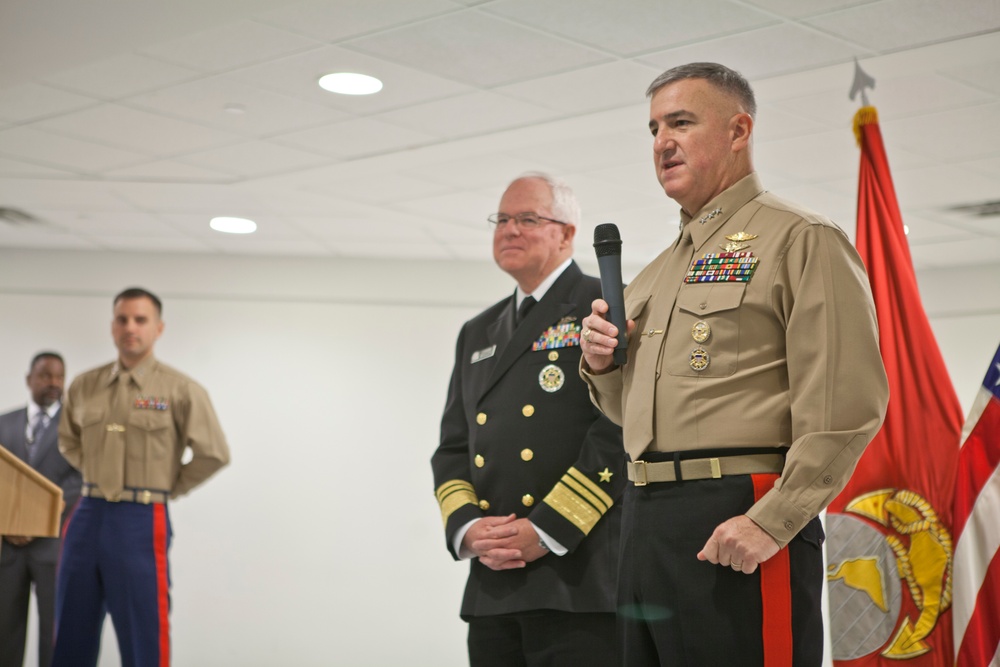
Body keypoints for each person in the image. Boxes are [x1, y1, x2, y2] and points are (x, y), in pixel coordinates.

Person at [579, 63, 890, 666]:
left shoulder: (801, 239)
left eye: (681, 122)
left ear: (738, 130)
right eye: (652, 129)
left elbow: (844, 409)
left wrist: (773, 522)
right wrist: (602, 365)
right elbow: (632, 417)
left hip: (739, 513)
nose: (661, 142)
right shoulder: (657, 273)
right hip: (644, 521)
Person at [431, 173, 625, 666]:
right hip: (494, 579)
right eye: (502, 219)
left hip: (576, 574)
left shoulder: (604, 305)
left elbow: (619, 430)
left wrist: (546, 530)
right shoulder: (478, 331)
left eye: (528, 219)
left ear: (566, 233)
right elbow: (454, 447)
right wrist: (468, 528)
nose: (509, 230)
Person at [52, 287, 230, 667]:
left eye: (140, 320)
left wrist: (167, 487)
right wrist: (96, 471)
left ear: (159, 328)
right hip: (87, 514)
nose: (130, 327)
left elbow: (213, 453)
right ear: (113, 326)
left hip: (141, 520)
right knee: (70, 626)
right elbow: (67, 441)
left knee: (143, 630)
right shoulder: (85, 385)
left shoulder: (180, 389)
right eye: (122, 319)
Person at [0, 352, 81, 667]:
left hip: (54, 546)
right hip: (8, 546)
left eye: (59, 376)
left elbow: (79, 480)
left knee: (54, 628)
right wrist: (9, 523)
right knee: (5, 627)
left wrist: (37, 520)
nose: (53, 383)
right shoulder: (4, 423)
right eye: (46, 375)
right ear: (29, 379)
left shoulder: (75, 430)